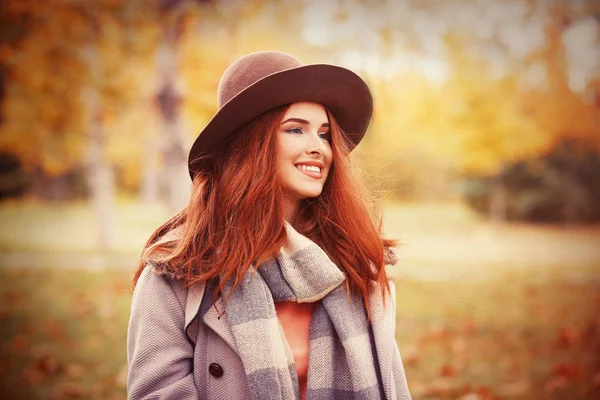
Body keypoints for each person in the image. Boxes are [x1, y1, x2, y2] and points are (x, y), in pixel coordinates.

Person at [127, 51, 411, 400]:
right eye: (295, 129)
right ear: (250, 144)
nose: (318, 148)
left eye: (324, 134)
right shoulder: (178, 269)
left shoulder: (354, 260)